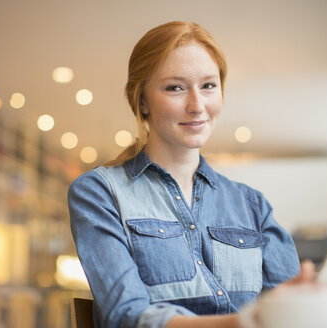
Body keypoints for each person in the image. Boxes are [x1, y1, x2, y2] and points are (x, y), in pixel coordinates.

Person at [68, 21, 310, 328]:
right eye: (175, 88)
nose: (197, 106)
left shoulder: (252, 205)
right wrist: (241, 323)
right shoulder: (98, 193)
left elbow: (290, 315)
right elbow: (126, 316)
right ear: (142, 100)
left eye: (208, 86)